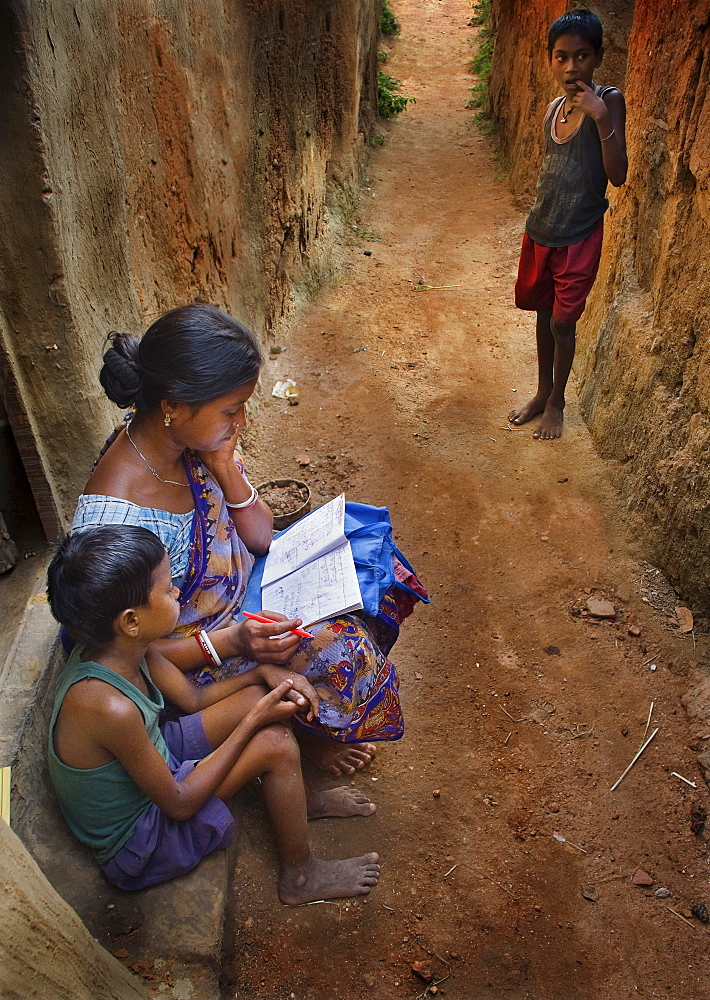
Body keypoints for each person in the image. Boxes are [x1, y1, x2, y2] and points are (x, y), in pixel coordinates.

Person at [71, 303, 428, 778]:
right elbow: (133, 651)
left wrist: (223, 468)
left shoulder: (187, 444)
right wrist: (235, 640)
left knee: (371, 562)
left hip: (249, 594)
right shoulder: (119, 523)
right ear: (173, 405)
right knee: (344, 650)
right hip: (187, 657)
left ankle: (307, 725)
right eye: (231, 410)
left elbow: (259, 537)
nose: (239, 423)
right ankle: (306, 737)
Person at [47, 524, 381, 898]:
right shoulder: (109, 707)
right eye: (166, 587)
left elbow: (191, 699)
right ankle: (300, 877)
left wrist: (261, 673)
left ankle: (298, 801)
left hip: (155, 759)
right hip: (144, 836)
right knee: (274, 742)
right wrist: (256, 720)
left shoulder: (125, 647)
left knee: (260, 694)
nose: (176, 590)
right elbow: (179, 803)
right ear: (130, 620)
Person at [508, 9, 627, 440]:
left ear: (597, 56)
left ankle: (558, 398)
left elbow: (618, 175)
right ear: (550, 60)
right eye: (561, 57)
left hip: (579, 233)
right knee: (542, 313)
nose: (571, 66)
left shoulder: (608, 101)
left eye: (582, 56)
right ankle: (542, 391)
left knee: (564, 321)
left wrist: (601, 116)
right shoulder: (553, 108)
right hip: (542, 229)